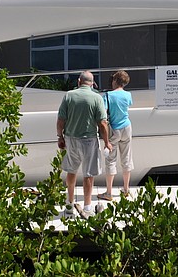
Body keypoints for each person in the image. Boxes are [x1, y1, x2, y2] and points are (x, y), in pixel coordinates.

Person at [56, 70, 112, 218]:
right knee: (88, 174)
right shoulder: (96, 98)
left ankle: (69, 205)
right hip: (89, 140)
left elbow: (60, 120)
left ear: (79, 82)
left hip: (71, 139)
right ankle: (87, 207)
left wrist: (60, 137)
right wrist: (107, 142)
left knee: (71, 171)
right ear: (92, 84)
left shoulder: (69, 95)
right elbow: (103, 123)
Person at [98, 70, 134, 200]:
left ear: (115, 81)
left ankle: (108, 193)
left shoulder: (107, 96)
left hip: (114, 129)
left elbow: (103, 113)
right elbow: (128, 106)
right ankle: (126, 189)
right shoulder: (128, 95)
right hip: (127, 127)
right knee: (126, 159)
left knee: (111, 160)